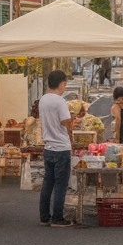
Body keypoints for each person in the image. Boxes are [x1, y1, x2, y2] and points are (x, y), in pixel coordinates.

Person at [38, 69, 80, 228]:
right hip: (61, 147)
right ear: (62, 83)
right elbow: (65, 122)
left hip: (48, 147)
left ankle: (44, 216)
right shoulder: (59, 101)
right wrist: (72, 122)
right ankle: (57, 217)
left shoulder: (43, 99)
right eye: (65, 83)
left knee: (48, 183)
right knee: (61, 184)